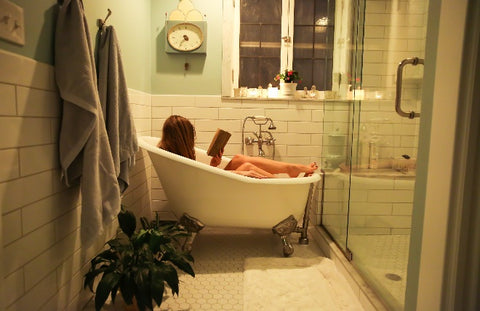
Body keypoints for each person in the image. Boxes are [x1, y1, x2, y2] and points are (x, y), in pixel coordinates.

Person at [158, 115, 318, 179]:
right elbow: (196, 180)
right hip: (206, 191)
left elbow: (197, 176)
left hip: (207, 185)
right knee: (247, 166)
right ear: (184, 137)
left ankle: (290, 169)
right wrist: (243, 172)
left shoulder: (174, 151)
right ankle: (284, 186)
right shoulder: (171, 157)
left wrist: (214, 165)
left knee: (239, 159)